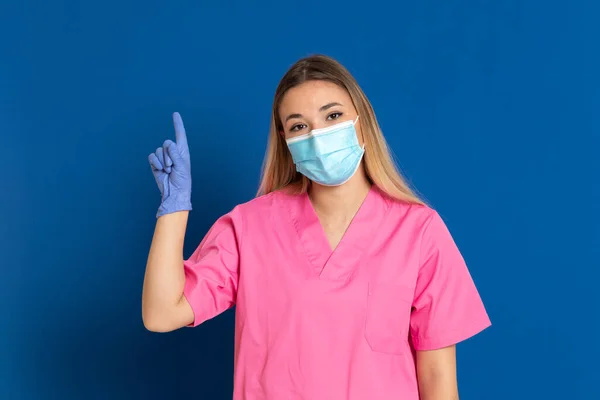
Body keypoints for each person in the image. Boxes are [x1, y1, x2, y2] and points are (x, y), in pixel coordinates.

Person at [142, 54, 491, 400]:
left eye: (333, 115)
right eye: (299, 126)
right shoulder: (250, 227)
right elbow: (162, 313)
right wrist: (175, 207)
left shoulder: (418, 231)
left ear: (361, 120)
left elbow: (437, 377)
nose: (318, 135)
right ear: (286, 140)